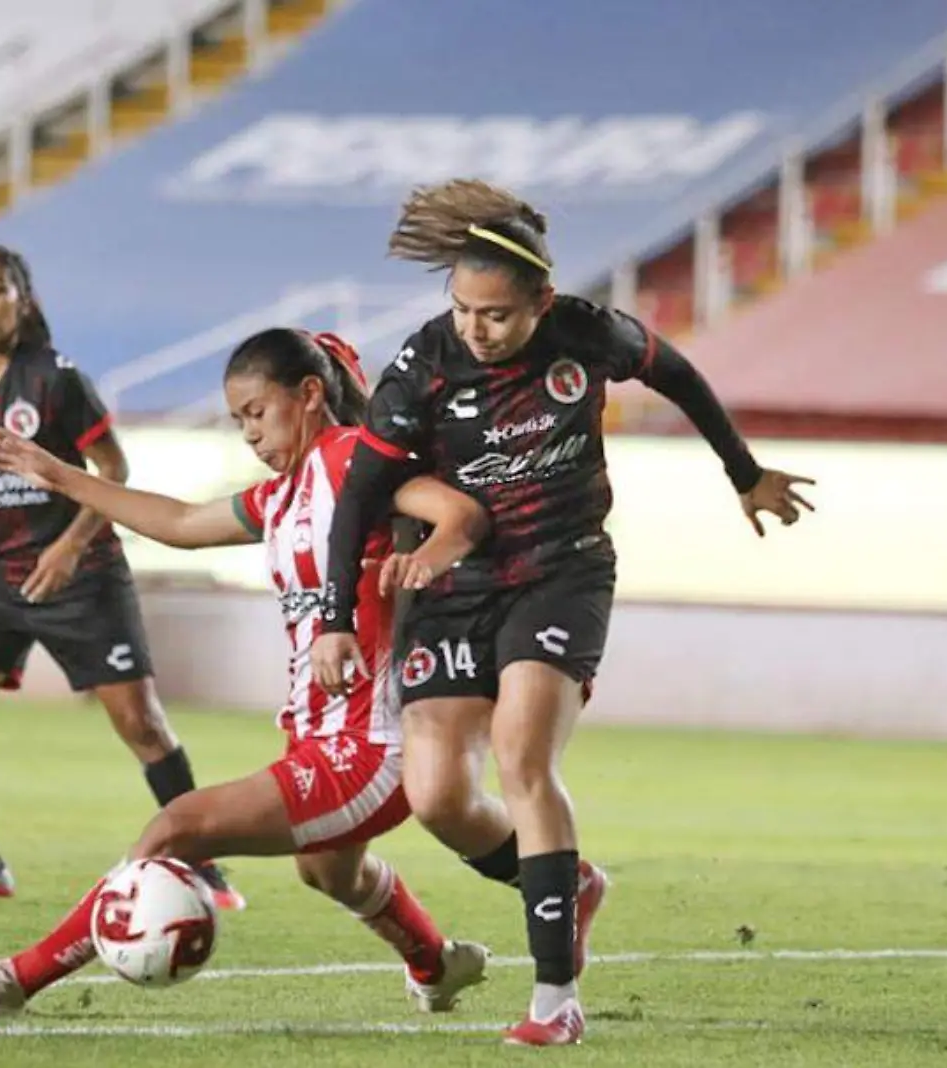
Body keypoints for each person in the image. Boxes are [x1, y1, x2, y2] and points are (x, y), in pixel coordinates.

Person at [310, 179, 816, 1046]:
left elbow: (680, 375)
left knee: (521, 755)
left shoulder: (589, 332)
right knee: (435, 796)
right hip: (453, 585)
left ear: (541, 303)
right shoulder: (423, 364)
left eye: (498, 314)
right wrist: (334, 617)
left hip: (561, 571)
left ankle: (555, 999)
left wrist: (743, 472)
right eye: (465, 309)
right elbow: (362, 491)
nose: (477, 328)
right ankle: (568, 885)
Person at [0, 327, 494, 1018]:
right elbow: (182, 520)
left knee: (176, 827)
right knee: (329, 871)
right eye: (238, 421)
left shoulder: (348, 458)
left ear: (311, 394)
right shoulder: (283, 496)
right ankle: (435, 964)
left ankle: (16, 979)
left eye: (257, 412)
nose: (249, 433)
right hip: (318, 735)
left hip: (371, 745)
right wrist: (59, 474)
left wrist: (428, 558)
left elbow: (458, 514)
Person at [0, 243, 236, 907]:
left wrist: (66, 547)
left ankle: (205, 867)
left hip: (83, 574)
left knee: (141, 723)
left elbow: (114, 470)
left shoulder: (56, 378)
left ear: (22, 300)